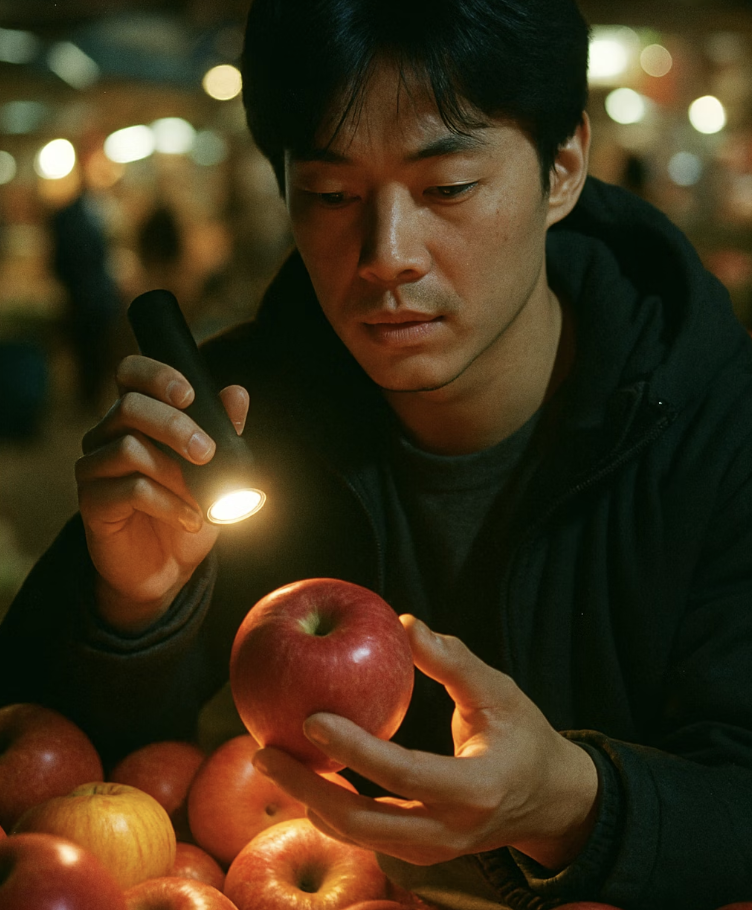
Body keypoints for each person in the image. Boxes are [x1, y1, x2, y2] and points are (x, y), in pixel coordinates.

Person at [2, 1, 752, 907]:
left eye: (446, 190)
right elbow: (51, 794)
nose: (386, 254)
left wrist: (576, 803)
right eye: (330, 195)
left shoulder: (718, 420)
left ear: (562, 168)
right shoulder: (234, 422)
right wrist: (129, 608)